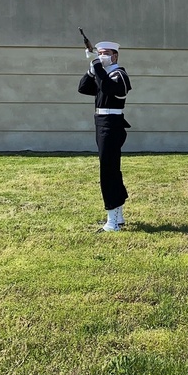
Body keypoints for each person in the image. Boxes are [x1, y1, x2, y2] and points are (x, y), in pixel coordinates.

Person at [77, 40, 132, 232]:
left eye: (105, 53)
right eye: (98, 53)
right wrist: (92, 70)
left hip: (111, 125)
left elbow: (110, 88)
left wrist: (97, 65)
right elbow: (83, 88)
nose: (101, 56)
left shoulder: (120, 75)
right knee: (110, 169)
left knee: (108, 171)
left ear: (115, 56)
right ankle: (118, 215)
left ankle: (112, 220)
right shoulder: (103, 75)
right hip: (101, 124)